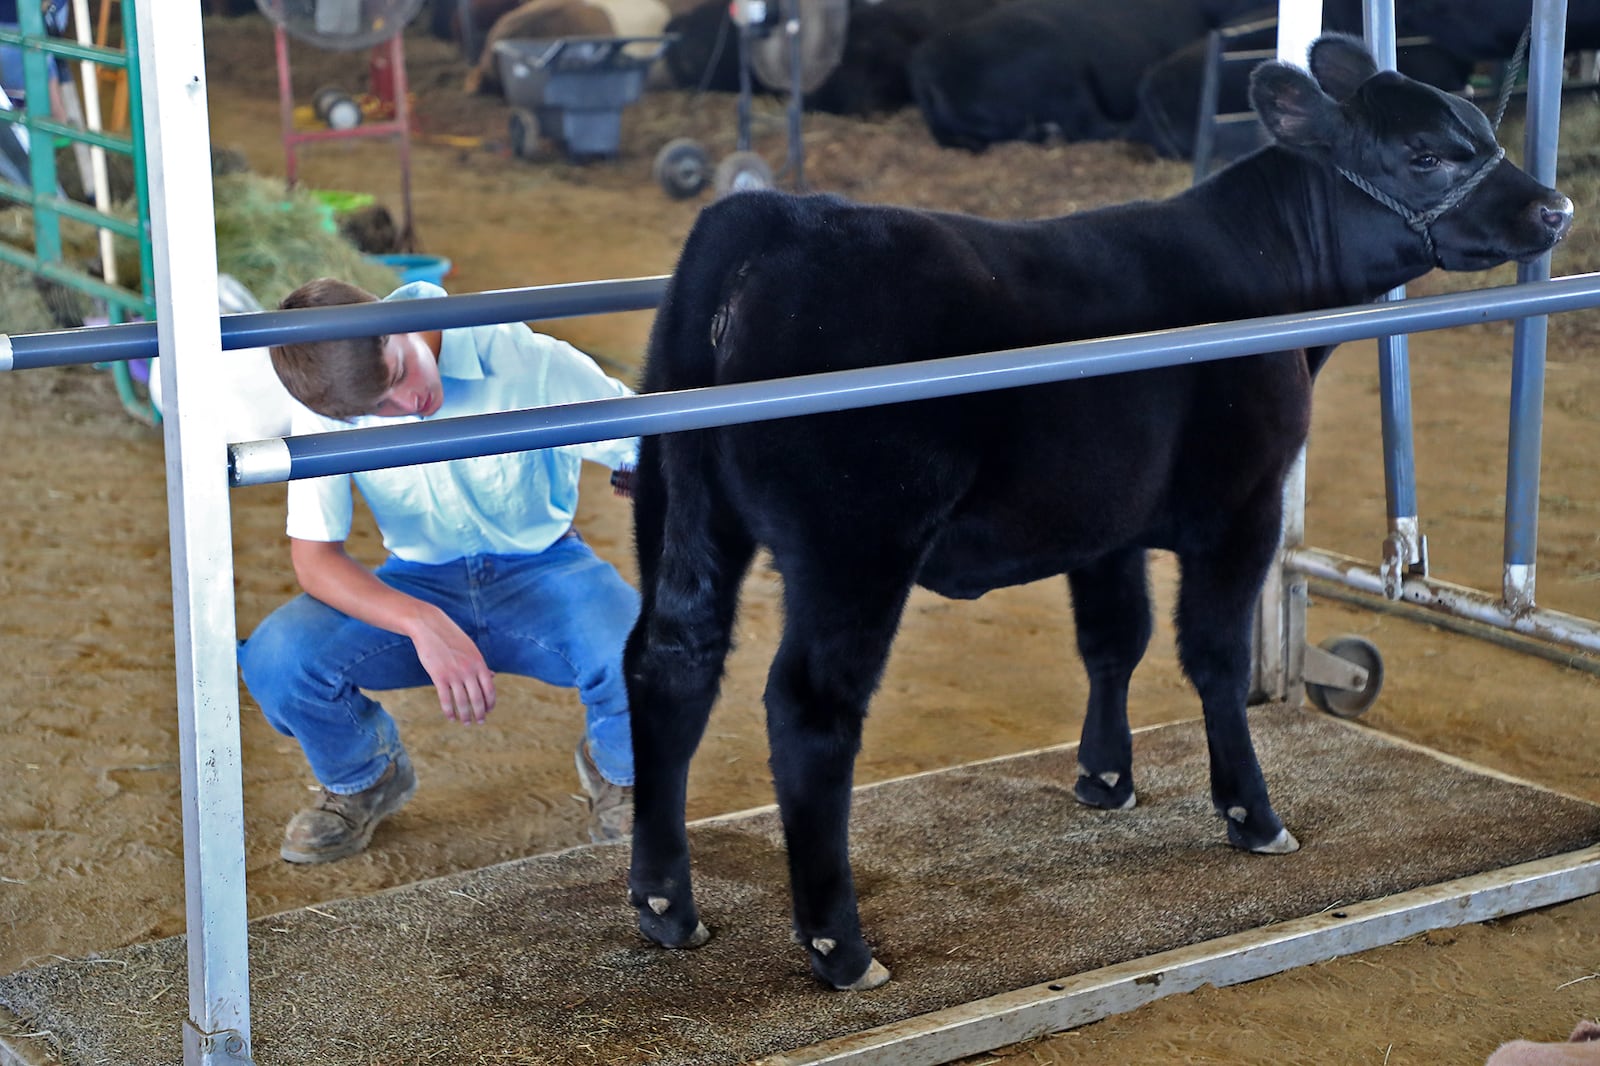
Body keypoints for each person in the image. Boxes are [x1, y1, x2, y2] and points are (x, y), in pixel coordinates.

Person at [238, 276, 641, 863]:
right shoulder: (325, 404)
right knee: (279, 658)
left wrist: (646, 464)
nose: (405, 405)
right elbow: (315, 558)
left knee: (645, 650)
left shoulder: (521, 357)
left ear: (394, 323)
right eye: (375, 410)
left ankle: (620, 773)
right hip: (417, 580)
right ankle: (365, 777)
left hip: (546, 570)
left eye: (400, 375)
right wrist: (420, 621)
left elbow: (646, 438)